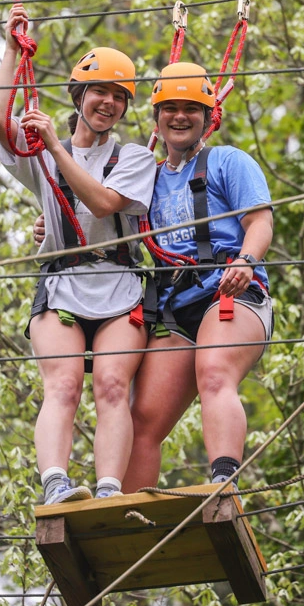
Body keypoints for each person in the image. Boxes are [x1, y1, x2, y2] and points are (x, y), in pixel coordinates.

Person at [0, 3, 155, 505]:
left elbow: (104, 202)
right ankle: (56, 484)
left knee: (110, 386)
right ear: (79, 96)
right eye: (99, 92)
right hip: (61, 284)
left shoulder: (134, 158)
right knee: (61, 386)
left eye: (118, 97)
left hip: (120, 286)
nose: (108, 103)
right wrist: (13, 49)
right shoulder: (40, 149)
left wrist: (57, 148)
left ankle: (108, 489)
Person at [121, 62, 275, 493]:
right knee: (143, 417)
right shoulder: (145, 181)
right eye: (169, 108)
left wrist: (245, 260)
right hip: (174, 305)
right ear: (157, 118)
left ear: (208, 117)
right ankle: (129, 516)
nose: (179, 116)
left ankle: (223, 482)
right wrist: (48, 225)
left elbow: (259, 222)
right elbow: (98, 216)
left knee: (213, 372)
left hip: (230, 291)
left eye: (191, 108)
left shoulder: (227, 162)